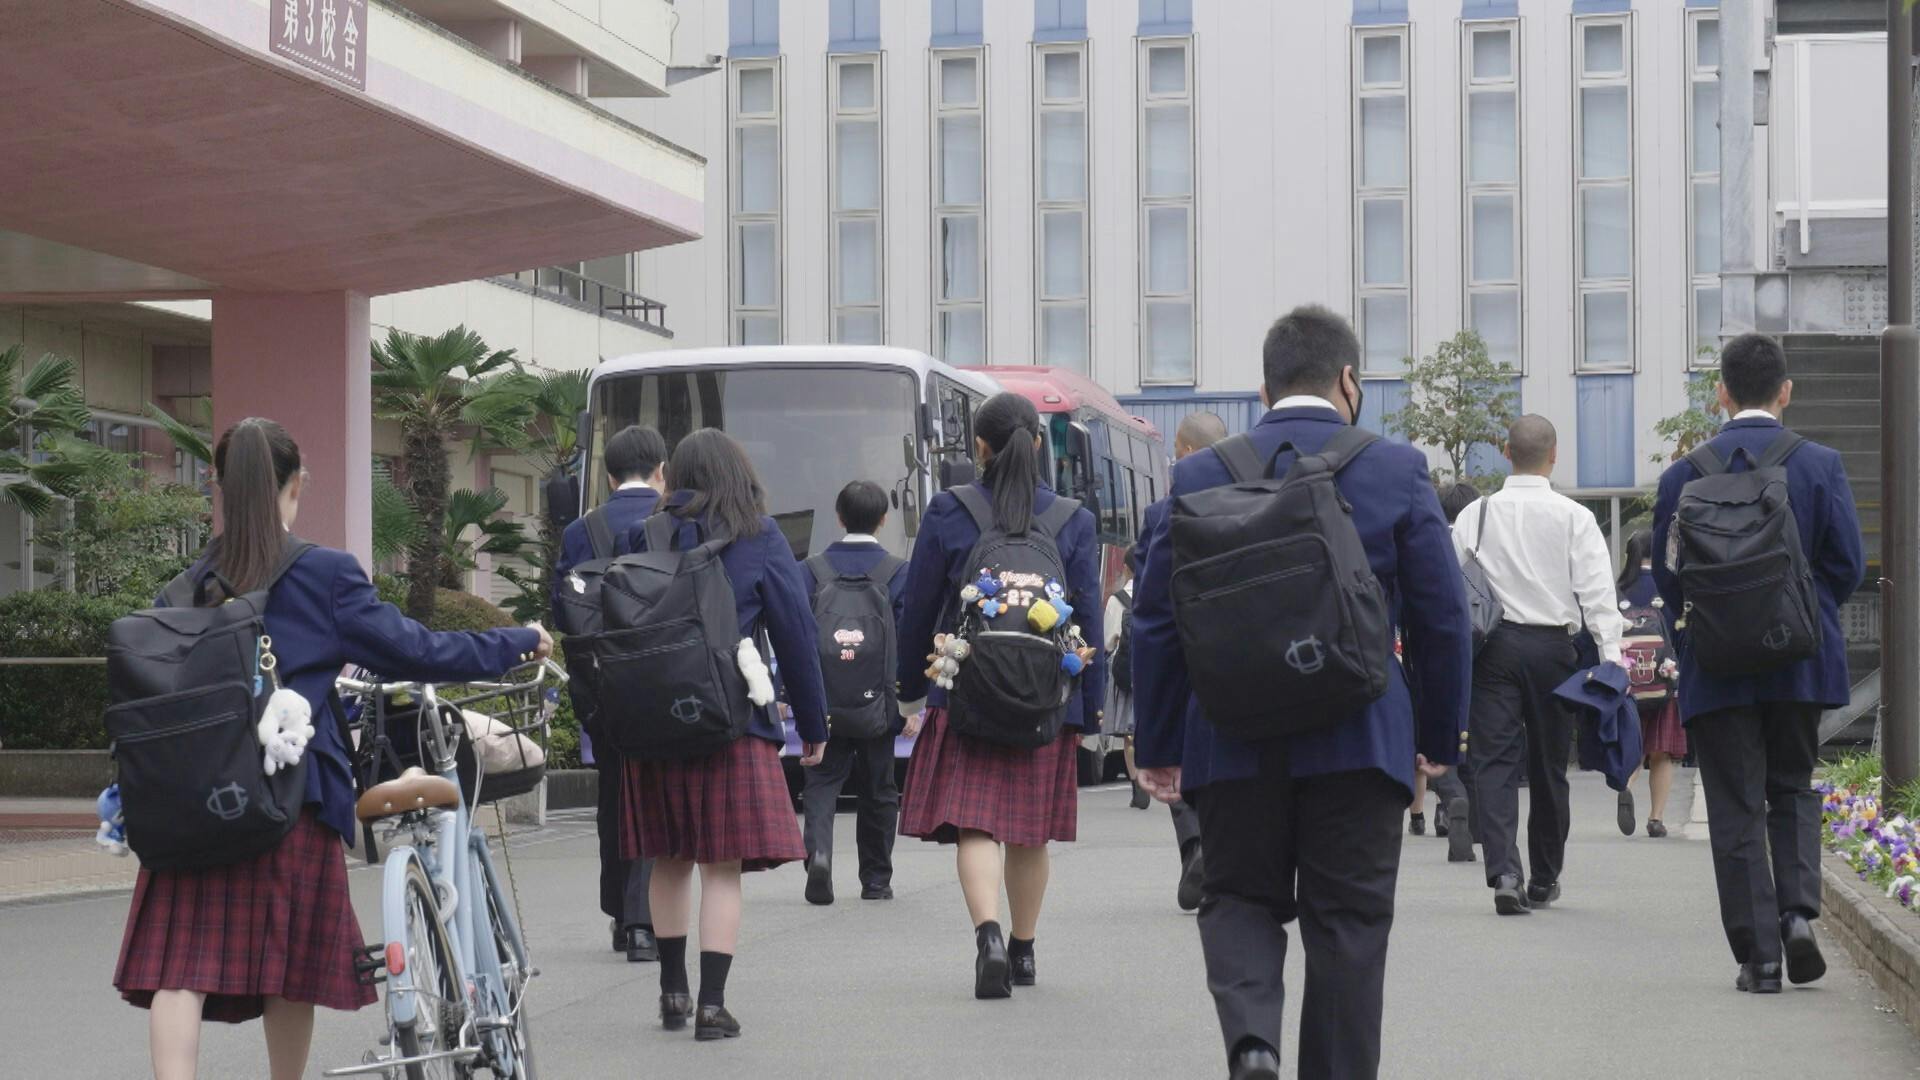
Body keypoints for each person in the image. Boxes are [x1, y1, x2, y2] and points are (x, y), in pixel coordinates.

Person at [113, 418, 551, 1080]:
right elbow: (417, 650)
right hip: (289, 801)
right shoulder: (324, 575)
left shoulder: (183, 589)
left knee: (182, 970)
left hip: (191, 803)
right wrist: (515, 641)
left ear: (219, 485)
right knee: (289, 971)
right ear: (294, 485)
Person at [1132, 306, 1471, 1080]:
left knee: (1237, 897)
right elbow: (1443, 617)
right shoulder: (1396, 470)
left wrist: (1159, 744)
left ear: (1264, 391)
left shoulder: (1199, 474)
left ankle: (1253, 1041)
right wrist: (1437, 737)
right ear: (1349, 379)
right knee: (1348, 923)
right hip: (1361, 736)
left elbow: (1156, 618)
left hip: (1230, 735)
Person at [1651, 333, 1864, 994]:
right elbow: (1846, 565)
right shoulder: (1819, 464)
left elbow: (1668, 577)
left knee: (1735, 804)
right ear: (1786, 391)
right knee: (1792, 786)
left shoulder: (1681, 477)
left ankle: (1760, 958)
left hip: (1717, 666)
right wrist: (1798, 616)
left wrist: (1717, 624)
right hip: (1798, 663)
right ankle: (1797, 916)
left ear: (1720, 393)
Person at [619, 428, 829, 1040]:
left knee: (668, 856)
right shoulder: (759, 536)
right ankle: (711, 1005)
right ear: (739, 475)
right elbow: (795, 636)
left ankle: (672, 992)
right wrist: (812, 724)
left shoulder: (645, 534)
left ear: (676, 475)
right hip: (730, 718)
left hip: (655, 718)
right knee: (720, 867)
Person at [895, 391, 1104, 999]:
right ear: (1036, 444)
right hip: (1046, 699)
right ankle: (1023, 950)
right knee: (1028, 833)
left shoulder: (949, 511)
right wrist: (1087, 710)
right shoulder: (1074, 519)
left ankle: (986, 936)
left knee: (976, 826)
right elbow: (1087, 620)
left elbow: (917, 609)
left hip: (967, 693)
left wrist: (911, 689)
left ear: (980, 448)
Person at [1451, 416, 1625, 916]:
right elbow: (1597, 594)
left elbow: (1453, 587)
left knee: (1494, 762)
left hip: (1493, 649)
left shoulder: (1476, 514)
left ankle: (1505, 872)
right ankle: (1545, 877)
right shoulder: (1575, 517)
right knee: (1550, 767)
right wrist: (1612, 659)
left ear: (1506, 453)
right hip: (1554, 649)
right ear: (1554, 456)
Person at [553, 425, 666, 963]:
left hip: (599, 681)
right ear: (662, 470)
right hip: (662, 675)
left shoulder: (582, 530)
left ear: (608, 475)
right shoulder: (671, 521)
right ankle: (645, 920)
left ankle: (621, 914)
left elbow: (563, 607)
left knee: (614, 792)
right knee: (656, 791)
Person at [801, 480, 910, 905]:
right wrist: (911, 703)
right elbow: (910, 639)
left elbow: (796, 636)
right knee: (879, 788)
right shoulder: (898, 572)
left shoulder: (811, 570)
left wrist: (793, 694)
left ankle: (820, 854)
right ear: (883, 519)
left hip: (824, 701)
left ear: (839, 516)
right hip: (879, 703)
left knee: (821, 781)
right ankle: (876, 880)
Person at [1148, 409, 1230, 911]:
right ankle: (1223, 852)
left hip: (1183, 657)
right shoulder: (1260, 499)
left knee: (1180, 759)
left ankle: (1195, 846)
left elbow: (1151, 608)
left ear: (1186, 451)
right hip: (1243, 656)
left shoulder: (1163, 513)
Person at [1411, 479, 1479, 863]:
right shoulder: (1483, 539)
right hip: (1486, 641)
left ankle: (1450, 799)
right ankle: (1471, 817)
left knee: (1441, 729)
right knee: (1477, 730)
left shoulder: (1432, 540)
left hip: (1437, 645)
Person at [1615, 529, 1686, 839]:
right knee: (1661, 751)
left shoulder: (1618, 589)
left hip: (1627, 682)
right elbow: (1680, 628)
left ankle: (1626, 785)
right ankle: (1656, 818)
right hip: (1663, 678)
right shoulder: (1667, 586)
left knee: (1634, 743)